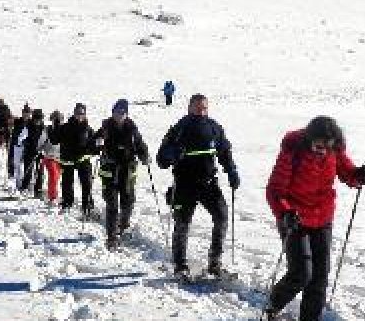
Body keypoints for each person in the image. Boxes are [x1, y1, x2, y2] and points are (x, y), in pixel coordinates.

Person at [263, 116, 365, 320]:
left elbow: (346, 171)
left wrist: (358, 176)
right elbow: (275, 190)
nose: (323, 150)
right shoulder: (292, 150)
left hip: (322, 218)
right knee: (301, 273)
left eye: (327, 146)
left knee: (320, 276)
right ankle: (274, 304)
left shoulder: (334, 149)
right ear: (309, 139)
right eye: (319, 146)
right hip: (294, 219)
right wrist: (285, 212)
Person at [157, 93, 240, 277]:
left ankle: (214, 263)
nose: (201, 111)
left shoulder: (214, 127)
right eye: (197, 107)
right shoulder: (179, 128)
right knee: (182, 223)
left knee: (222, 217)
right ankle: (180, 265)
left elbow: (224, 152)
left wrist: (232, 172)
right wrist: (172, 153)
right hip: (184, 184)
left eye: (204, 108)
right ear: (189, 107)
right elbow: (161, 159)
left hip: (208, 184)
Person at [95, 99, 150, 249]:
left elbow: (140, 145)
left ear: (126, 114)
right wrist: (97, 144)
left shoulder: (132, 129)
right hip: (110, 171)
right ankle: (111, 237)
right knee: (112, 204)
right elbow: (93, 143)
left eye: (122, 112)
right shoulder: (105, 127)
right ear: (112, 112)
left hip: (127, 171)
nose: (119, 115)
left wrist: (144, 155)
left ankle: (124, 225)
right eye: (116, 112)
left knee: (128, 201)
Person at [54, 102, 97, 215]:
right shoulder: (65, 127)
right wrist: (56, 125)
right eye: (77, 113)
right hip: (68, 160)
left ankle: (87, 206)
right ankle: (67, 203)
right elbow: (55, 140)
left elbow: (94, 146)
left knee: (86, 184)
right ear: (74, 113)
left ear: (85, 114)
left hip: (83, 160)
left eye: (82, 113)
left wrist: (98, 147)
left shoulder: (88, 129)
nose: (79, 115)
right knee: (67, 183)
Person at [39, 110, 63, 203]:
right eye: (55, 119)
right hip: (49, 157)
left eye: (59, 119)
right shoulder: (47, 130)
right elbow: (41, 142)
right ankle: (52, 197)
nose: (57, 121)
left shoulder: (63, 129)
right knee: (53, 175)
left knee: (57, 177)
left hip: (60, 158)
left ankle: (54, 193)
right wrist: (40, 148)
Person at [20, 109, 46, 193]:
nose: (38, 121)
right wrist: (26, 143)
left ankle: (38, 187)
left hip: (40, 152)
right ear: (33, 118)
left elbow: (46, 139)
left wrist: (43, 147)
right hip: (29, 151)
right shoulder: (28, 126)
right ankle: (25, 186)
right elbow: (22, 138)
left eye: (39, 119)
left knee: (40, 170)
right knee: (28, 169)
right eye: (36, 119)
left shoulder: (43, 128)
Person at [8, 104, 31, 181]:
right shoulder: (17, 121)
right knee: (14, 162)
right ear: (22, 113)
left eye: (27, 113)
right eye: (25, 113)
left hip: (26, 147)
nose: (26, 115)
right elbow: (9, 125)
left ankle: (23, 180)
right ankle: (12, 176)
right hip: (16, 145)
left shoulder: (31, 123)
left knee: (24, 165)